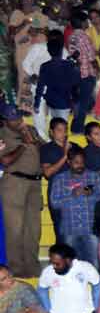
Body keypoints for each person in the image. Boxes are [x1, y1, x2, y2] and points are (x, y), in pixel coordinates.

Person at [0, 107, 42, 278]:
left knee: (33, 229)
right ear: (5, 120)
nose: (18, 121)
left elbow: (41, 148)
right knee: (14, 230)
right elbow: (5, 160)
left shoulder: (30, 129)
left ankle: (32, 268)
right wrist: (24, 144)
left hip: (34, 182)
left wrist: (32, 138)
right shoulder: (2, 134)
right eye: (13, 119)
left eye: (19, 117)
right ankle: (15, 271)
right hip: (14, 183)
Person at [49, 147, 100, 264]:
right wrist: (72, 194)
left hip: (90, 229)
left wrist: (92, 194)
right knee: (70, 265)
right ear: (69, 162)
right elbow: (54, 203)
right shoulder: (59, 179)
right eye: (76, 162)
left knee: (94, 263)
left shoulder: (93, 176)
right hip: (69, 229)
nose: (80, 165)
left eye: (82, 162)